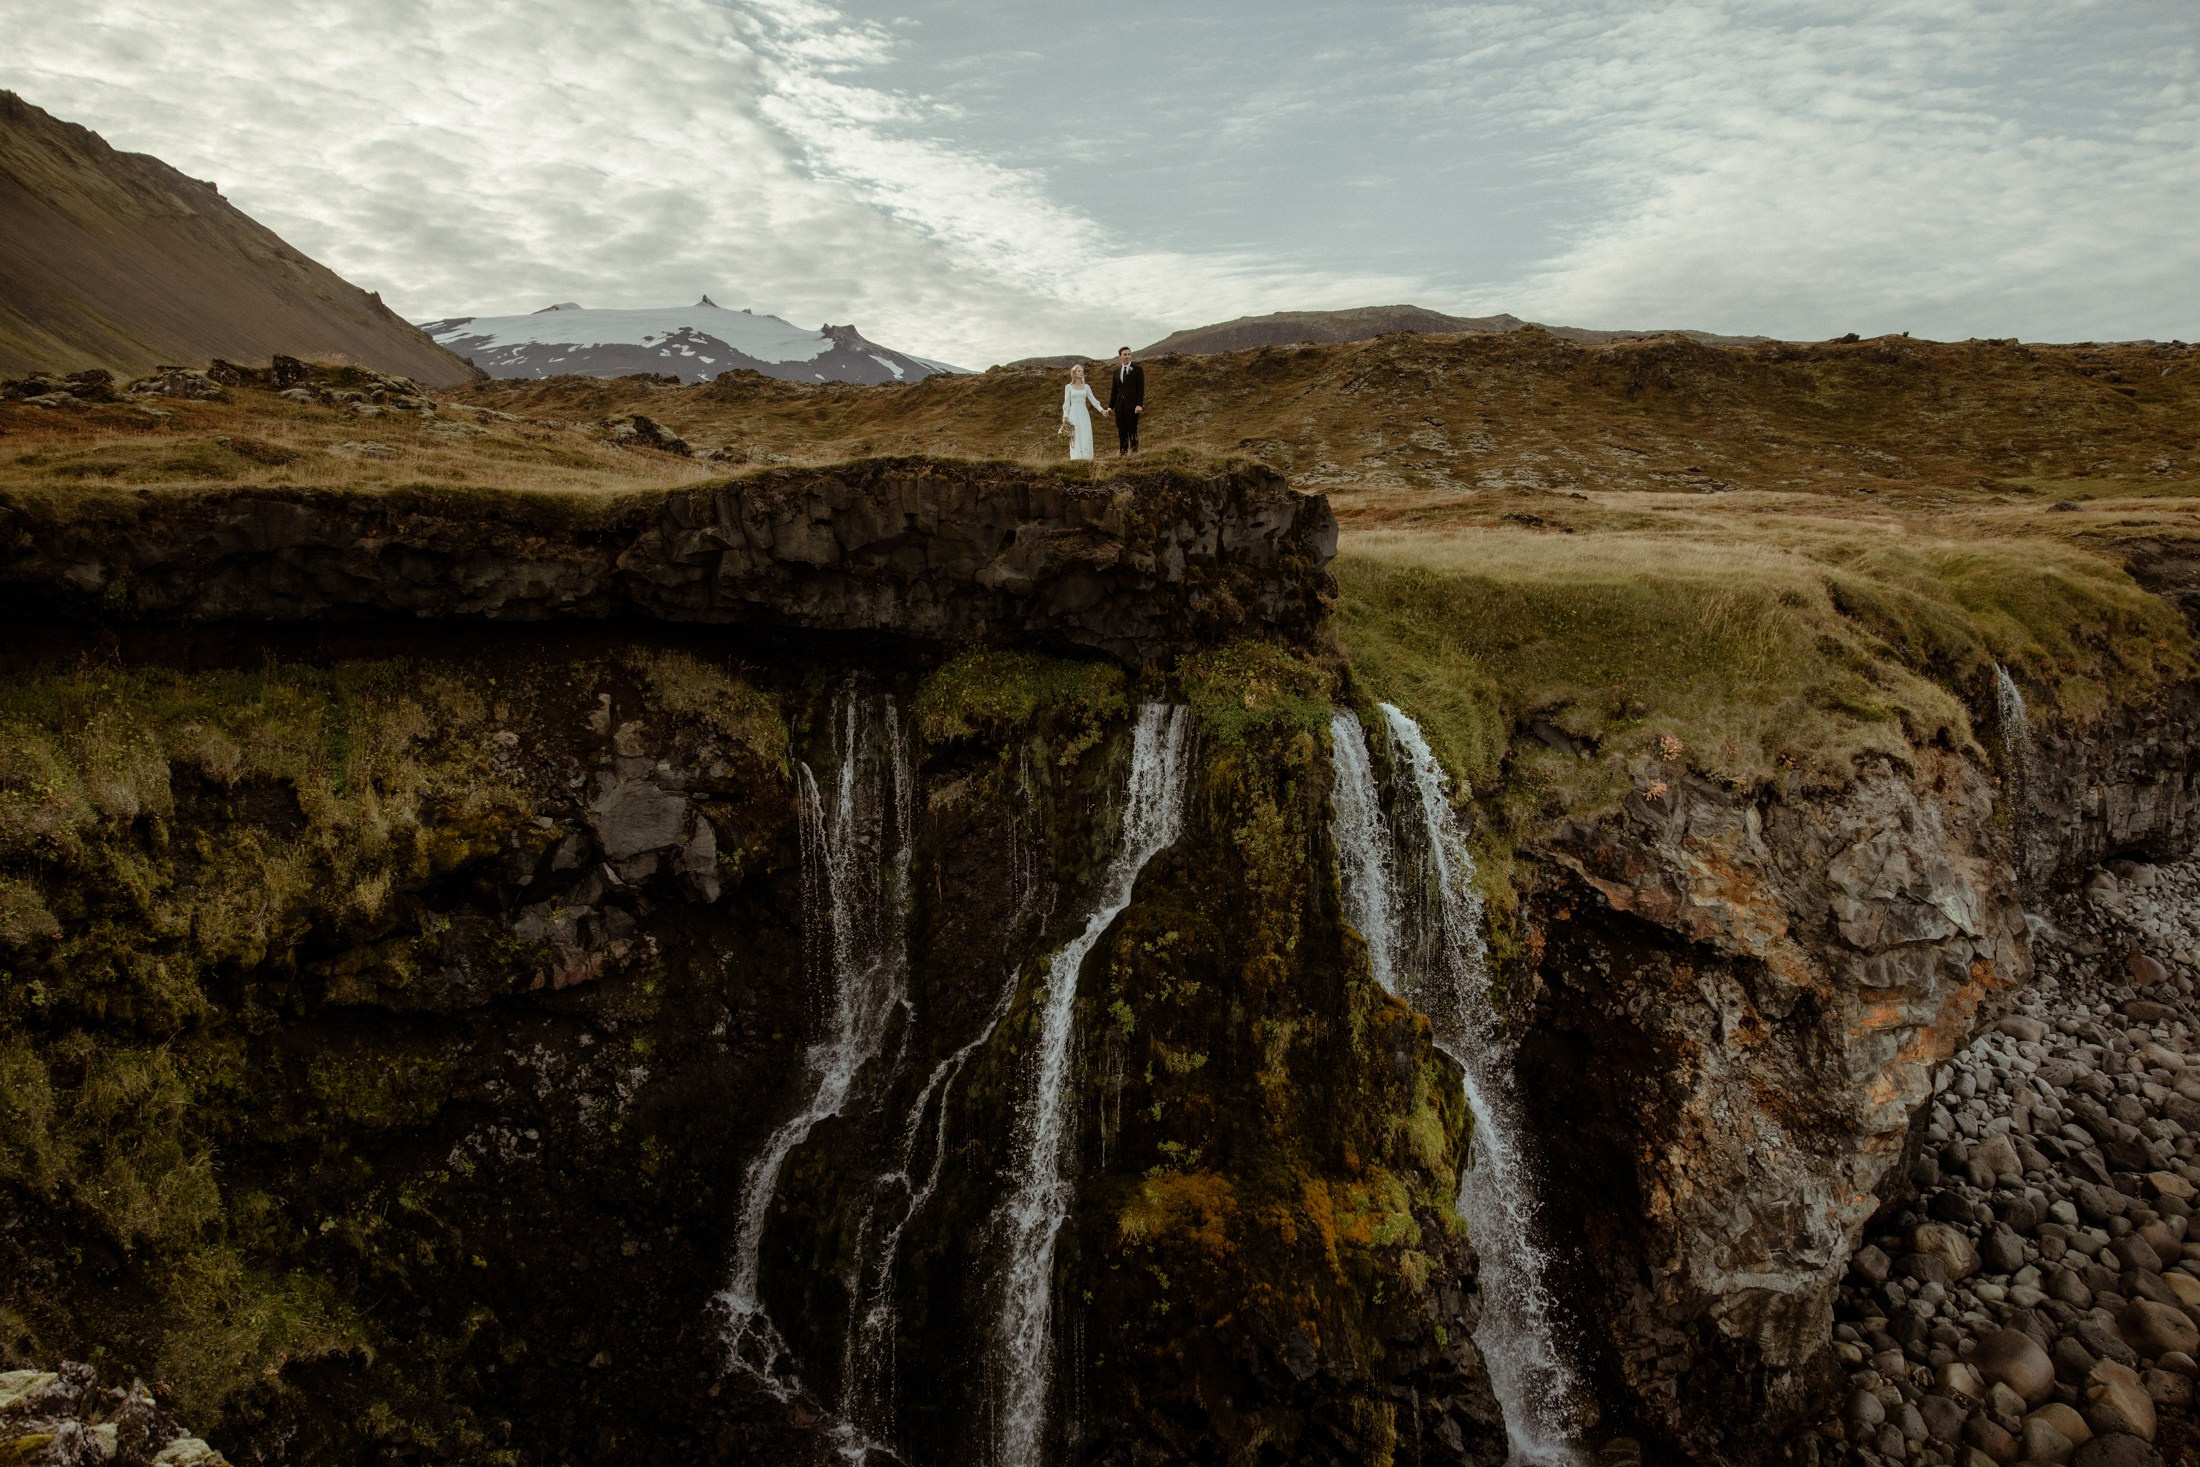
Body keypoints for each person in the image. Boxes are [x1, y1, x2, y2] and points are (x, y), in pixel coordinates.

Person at [1060, 364, 1110, 460]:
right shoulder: (1068, 387)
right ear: (1074, 373)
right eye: (1079, 371)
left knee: (1085, 433)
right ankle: (1076, 458)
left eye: (1082, 371)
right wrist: (1065, 417)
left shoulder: (1086, 387)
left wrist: (1101, 410)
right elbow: (1066, 403)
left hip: (1083, 413)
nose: (1081, 373)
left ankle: (1087, 458)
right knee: (1076, 435)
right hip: (1073, 413)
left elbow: (1093, 400)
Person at [1107, 346, 1144, 455]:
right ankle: (1122, 454)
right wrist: (1110, 407)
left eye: (1129, 354)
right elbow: (1114, 391)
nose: (1127, 356)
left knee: (1132, 430)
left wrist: (1139, 404)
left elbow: (1141, 388)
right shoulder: (1116, 372)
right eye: (1125, 354)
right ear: (1120, 356)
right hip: (1119, 406)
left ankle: (1134, 454)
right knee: (1122, 431)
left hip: (1133, 406)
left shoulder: (1137, 370)